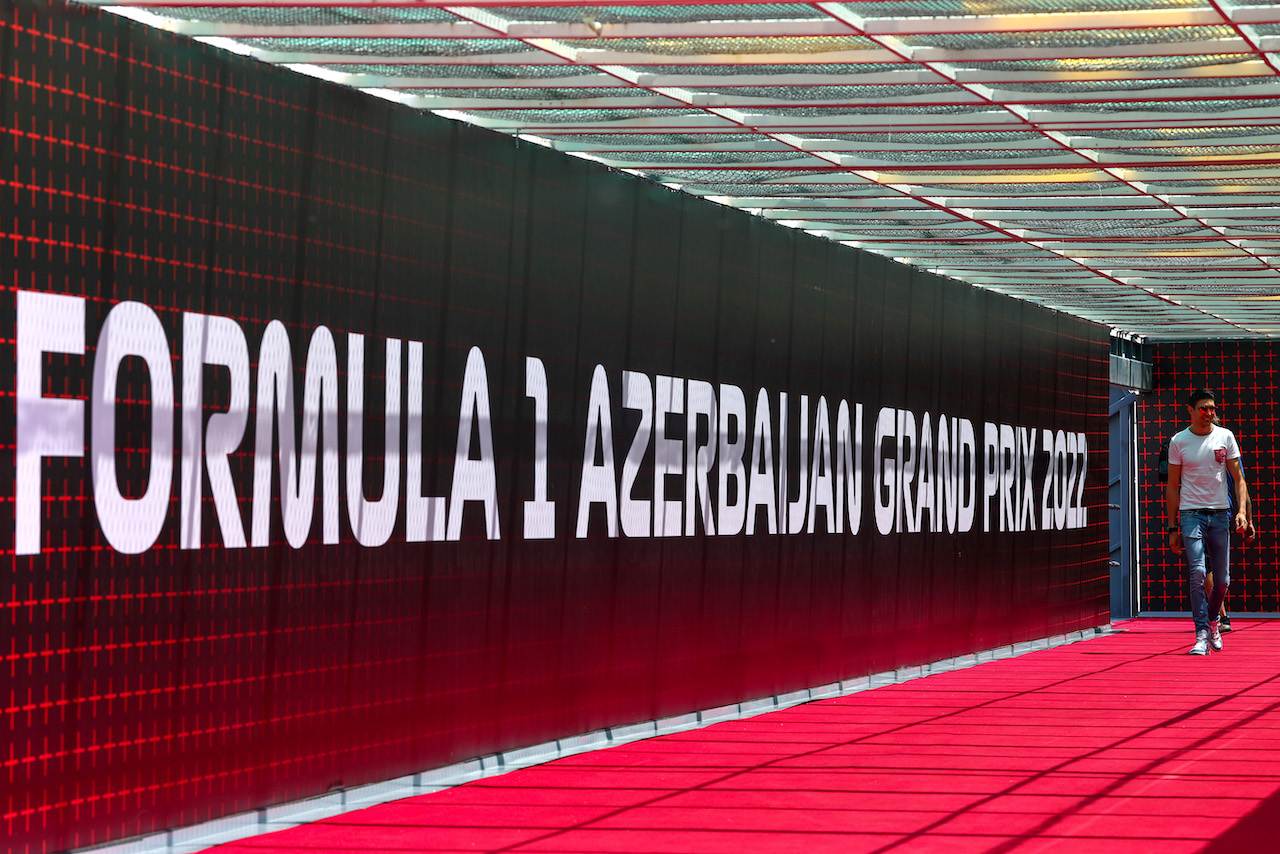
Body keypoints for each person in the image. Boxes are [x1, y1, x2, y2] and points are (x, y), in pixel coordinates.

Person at [1166, 388, 1252, 655]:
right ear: (1190, 411)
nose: (1209, 413)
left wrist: (1242, 512)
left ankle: (1214, 620)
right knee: (1198, 573)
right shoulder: (1179, 441)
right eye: (1204, 408)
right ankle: (1201, 633)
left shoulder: (1225, 436)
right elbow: (1171, 485)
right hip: (1190, 513)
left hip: (1220, 514)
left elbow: (1239, 479)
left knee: (1223, 580)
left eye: (1213, 408)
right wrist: (1172, 528)